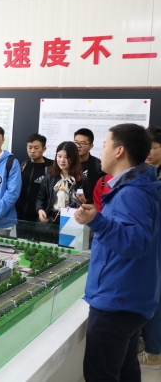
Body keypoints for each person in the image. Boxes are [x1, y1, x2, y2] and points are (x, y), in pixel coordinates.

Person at [74, 124, 161, 381]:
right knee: (125, 369)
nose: (101, 152)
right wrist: (98, 218)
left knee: (101, 374)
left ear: (119, 151)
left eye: (104, 146)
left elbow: (136, 242)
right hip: (129, 297)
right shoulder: (139, 187)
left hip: (117, 301)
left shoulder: (131, 194)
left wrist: (98, 222)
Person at [35, 141, 91, 243]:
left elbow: (89, 205)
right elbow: (40, 197)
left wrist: (83, 202)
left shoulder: (83, 180)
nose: (62, 160)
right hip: (50, 219)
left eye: (66, 157)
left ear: (73, 158)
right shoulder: (49, 176)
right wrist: (40, 210)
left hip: (71, 221)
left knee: (66, 248)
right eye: (59, 156)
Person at [139, 125, 161, 369]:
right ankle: (147, 343)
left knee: (156, 299)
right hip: (148, 244)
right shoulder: (146, 173)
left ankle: (155, 351)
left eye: (153, 148)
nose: (148, 152)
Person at [16, 134, 53, 241]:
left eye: (36, 148)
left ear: (44, 149)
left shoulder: (51, 167)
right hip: (23, 216)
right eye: (30, 147)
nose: (32, 151)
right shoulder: (23, 165)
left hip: (42, 217)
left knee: (42, 245)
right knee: (22, 244)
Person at [74, 128, 103, 203]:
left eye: (83, 143)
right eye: (76, 142)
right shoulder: (68, 163)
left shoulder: (99, 165)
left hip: (91, 205)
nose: (78, 146)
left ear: (91, 146)